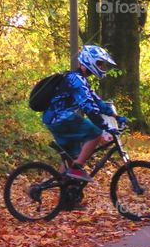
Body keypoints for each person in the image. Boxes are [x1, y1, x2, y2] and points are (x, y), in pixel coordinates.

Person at [42, 44, 124, 183]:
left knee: (71, 157)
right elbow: (89, 107)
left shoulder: (81, 80)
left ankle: (63, 193)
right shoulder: (76, 80)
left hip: (56, 119)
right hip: (61, 118)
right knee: (95, 133)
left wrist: (116, 116)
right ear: (88, 60)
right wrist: (104, 126)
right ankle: (77, 168)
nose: (102, 67)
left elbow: (97, 102)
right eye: (99, 63)